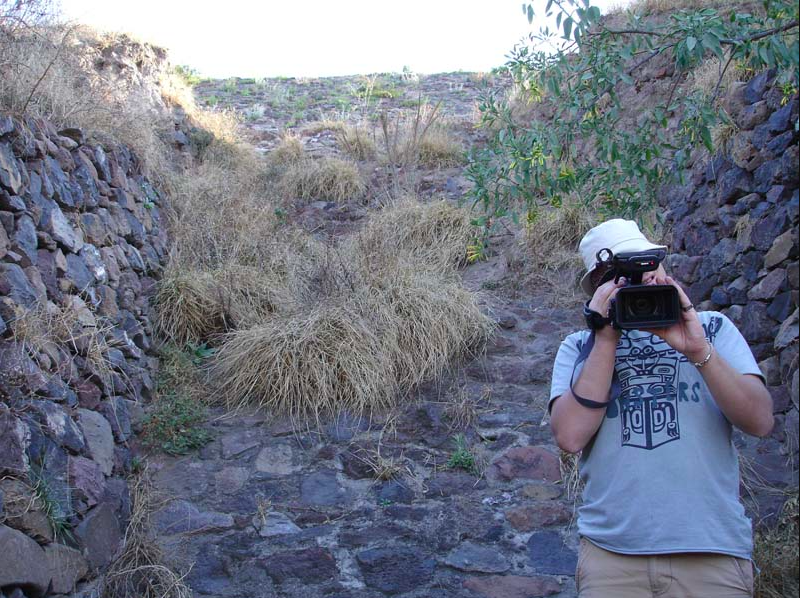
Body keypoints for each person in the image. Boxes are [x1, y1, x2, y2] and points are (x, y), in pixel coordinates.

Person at [548, 219, 774, 598]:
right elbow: (570, 436)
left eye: (647, 264)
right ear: (601, 286)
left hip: (711, 551)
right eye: (624, 274)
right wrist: (605, 339)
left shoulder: (713, 329)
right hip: (613, 558)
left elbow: (760, 420)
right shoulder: (579, 347)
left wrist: (698, 350)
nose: (643, 280)